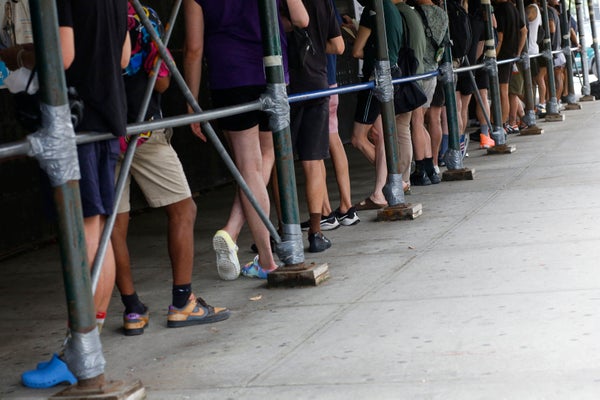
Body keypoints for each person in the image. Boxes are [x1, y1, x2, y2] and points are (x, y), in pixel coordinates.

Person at [17, 0, 131, 389]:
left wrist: (21, 56)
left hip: (76, 119)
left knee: (85, 233)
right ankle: (86, 342)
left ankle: (79, 350)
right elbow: (125, 55)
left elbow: (63, 55)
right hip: (108, 115)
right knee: (98, 231)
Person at [112, 2, 230, 337]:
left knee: (113, 225)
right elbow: (162, 82)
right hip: (143, 130)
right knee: (183, 209)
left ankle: (132, 309)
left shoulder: (78, 13)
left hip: (100, 132)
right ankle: (182, 303)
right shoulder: (142, 16)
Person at [183, 0, 308, 278]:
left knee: (249, 168)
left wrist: (191, 102)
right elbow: (301, 19)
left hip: (230, 76)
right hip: (272, 71)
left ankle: (263, 256)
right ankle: (235, 232)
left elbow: (193, 49)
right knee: (265, 157)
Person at [288, 0, 344, 252]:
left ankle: (283, 231)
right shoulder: (324, 2)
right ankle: (316, 232)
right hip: (319, 82)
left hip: (287, 85)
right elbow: (338, 46)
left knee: (280, 160)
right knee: (314, 160)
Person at [301, 0, 360, 232]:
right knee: (333, 141)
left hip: (316, 80)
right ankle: (346, 207)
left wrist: (306, 44)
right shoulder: (328, 4)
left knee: (315, 151)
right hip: (330, 79)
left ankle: (325, 212)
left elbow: (336, 45)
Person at [351, 0, 404, 210]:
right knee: (382, 136)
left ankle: (391, 183)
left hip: (377, 77)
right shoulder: (392, 9)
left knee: (358, 138)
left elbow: (357, 51)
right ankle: (390, 184)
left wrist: (355, 33)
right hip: (394, 72)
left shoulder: (371, 10)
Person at [410, 0, 447, 186]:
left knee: (416, 122)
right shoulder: (442, 14)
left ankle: (420, 169)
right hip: (433, 71)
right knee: (423, 120)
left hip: (418, 72)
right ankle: (430, 167)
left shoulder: (414, 14)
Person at [492, 0, 527, 133]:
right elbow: (524, 31)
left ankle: (502, 125)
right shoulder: (513, 8)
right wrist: (517, 51)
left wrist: (494, 56)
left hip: (502, 56)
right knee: (505, 92)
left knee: (503, 92)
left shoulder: (500, 9)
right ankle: (503, 123)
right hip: (511, 55)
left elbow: (500, 37)